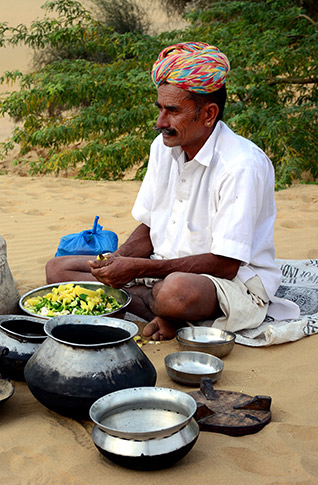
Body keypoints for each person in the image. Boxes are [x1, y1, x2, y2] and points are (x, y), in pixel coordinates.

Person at [45, 41, 299, 340]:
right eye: (160, 109)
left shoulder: (241, 164)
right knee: (58, 271)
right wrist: (115, 261)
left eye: (173, 111)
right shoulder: (163, 148)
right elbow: (149, 225)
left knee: (174, 292)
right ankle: (163, 316)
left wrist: (136, 268)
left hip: (225, 283)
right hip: (160, 270)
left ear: (208, 114)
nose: (160, 122)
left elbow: (227, 264)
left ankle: (162, 309)